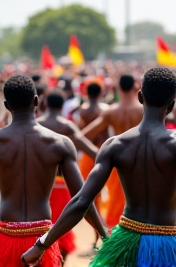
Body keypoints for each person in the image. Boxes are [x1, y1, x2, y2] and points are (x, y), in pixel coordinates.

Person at [22, 68, 176, 267]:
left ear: (141, 97)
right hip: (165, 244)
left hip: (124, 241)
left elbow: (80, 201)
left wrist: (41, 245)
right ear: (172, 106)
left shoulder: (115, 145)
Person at [0, 75, 106, 267]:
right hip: (42, 241)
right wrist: (105, 235)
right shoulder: (60, 143)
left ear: (7, 105)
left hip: (4, 238)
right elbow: (83, 200)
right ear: (36, 101)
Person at [37, 89, 99, 260]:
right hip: (62, 183)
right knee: (61, 229)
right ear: (61, 105)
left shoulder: (36, 124)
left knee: (40, 226)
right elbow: (90, 150)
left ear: (45, 103)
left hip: (41, 186)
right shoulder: (66, 126)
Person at [81, 74, 143, 228]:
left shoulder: (111, 112)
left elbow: (84, 135)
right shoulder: (143, 111)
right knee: (139, 204)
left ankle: (115, 238)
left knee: (116, 203)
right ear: (136, 88)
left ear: (119, 89)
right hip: (139, 162)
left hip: (118, 162)